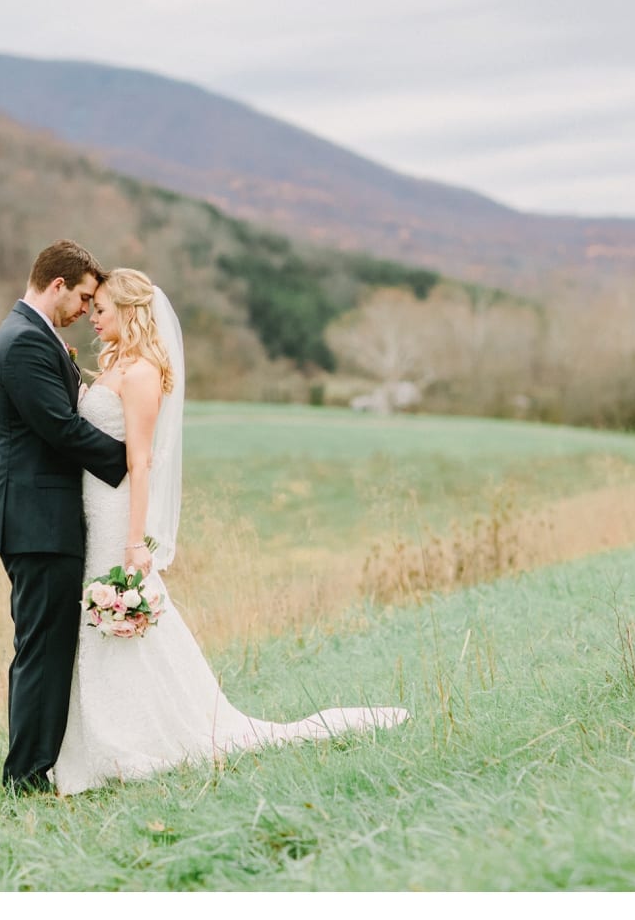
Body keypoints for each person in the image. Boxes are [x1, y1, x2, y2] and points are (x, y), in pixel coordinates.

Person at [49, 268, 409, 796]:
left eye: (101, 309)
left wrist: (134, 541)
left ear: (128, 312)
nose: (93, 318)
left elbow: (141, 462)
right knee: (97, 622)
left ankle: (128, 739)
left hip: (117, 512)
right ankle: (92, 738)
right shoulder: (112, 367)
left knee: (118, 620)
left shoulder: (144, 372)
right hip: (89, 509)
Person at [0, 239, 129, 794]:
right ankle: (25, 775)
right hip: (36, 521)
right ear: (58, 284)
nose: (86, 312)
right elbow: (61, 428)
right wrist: (132, 464)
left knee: (42, 646)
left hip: (38, 515)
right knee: (42, 651)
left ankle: (35, 764)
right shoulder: (24, 342)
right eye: (84, 298)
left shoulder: (35, 338)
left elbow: (38, 420)